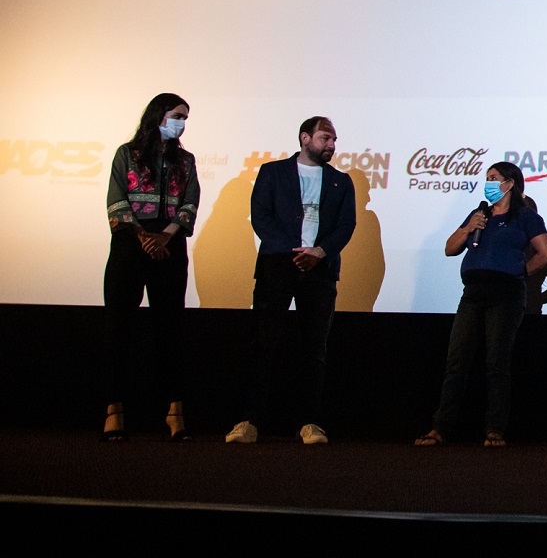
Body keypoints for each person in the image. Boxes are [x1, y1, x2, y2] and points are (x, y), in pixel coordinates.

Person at [225, 116, 356, 446]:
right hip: (277, 269)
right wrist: (294, 251)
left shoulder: (342, 181)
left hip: (320, 271)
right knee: (263, 345)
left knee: (315, 349)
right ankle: (250, 421)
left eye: (334, 140)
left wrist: (320, 252)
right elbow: (261, 217)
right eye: (326, 138)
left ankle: (309, 422)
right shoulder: (272, 172)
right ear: (305, 138)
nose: (332, 145)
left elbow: (346, 225)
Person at [416, 163, 547, 447]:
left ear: (510, 184)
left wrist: (520, 271)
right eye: (487, 178)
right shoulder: (479, 214)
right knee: (457, 361)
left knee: (496, 362)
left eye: (494, 179)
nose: (488, 183)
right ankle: (439, 428)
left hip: (506, 295)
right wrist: (469, 227)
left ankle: (494, 429)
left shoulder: (526, 217)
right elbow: (449, 248)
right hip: (472, 293)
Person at [102, 92, 200, 441]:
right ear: (158, 116)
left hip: (169, 247)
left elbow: (189, 204)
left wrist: (166, 236)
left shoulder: (185, 160)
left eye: (185, 117)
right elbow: (116, 200)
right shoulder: (127, 154)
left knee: (170, 329)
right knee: (119, 326)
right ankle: (114, 412)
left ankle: (175, 413)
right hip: (131, 244)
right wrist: (144, 237)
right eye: (177, 115)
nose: (182, 123)